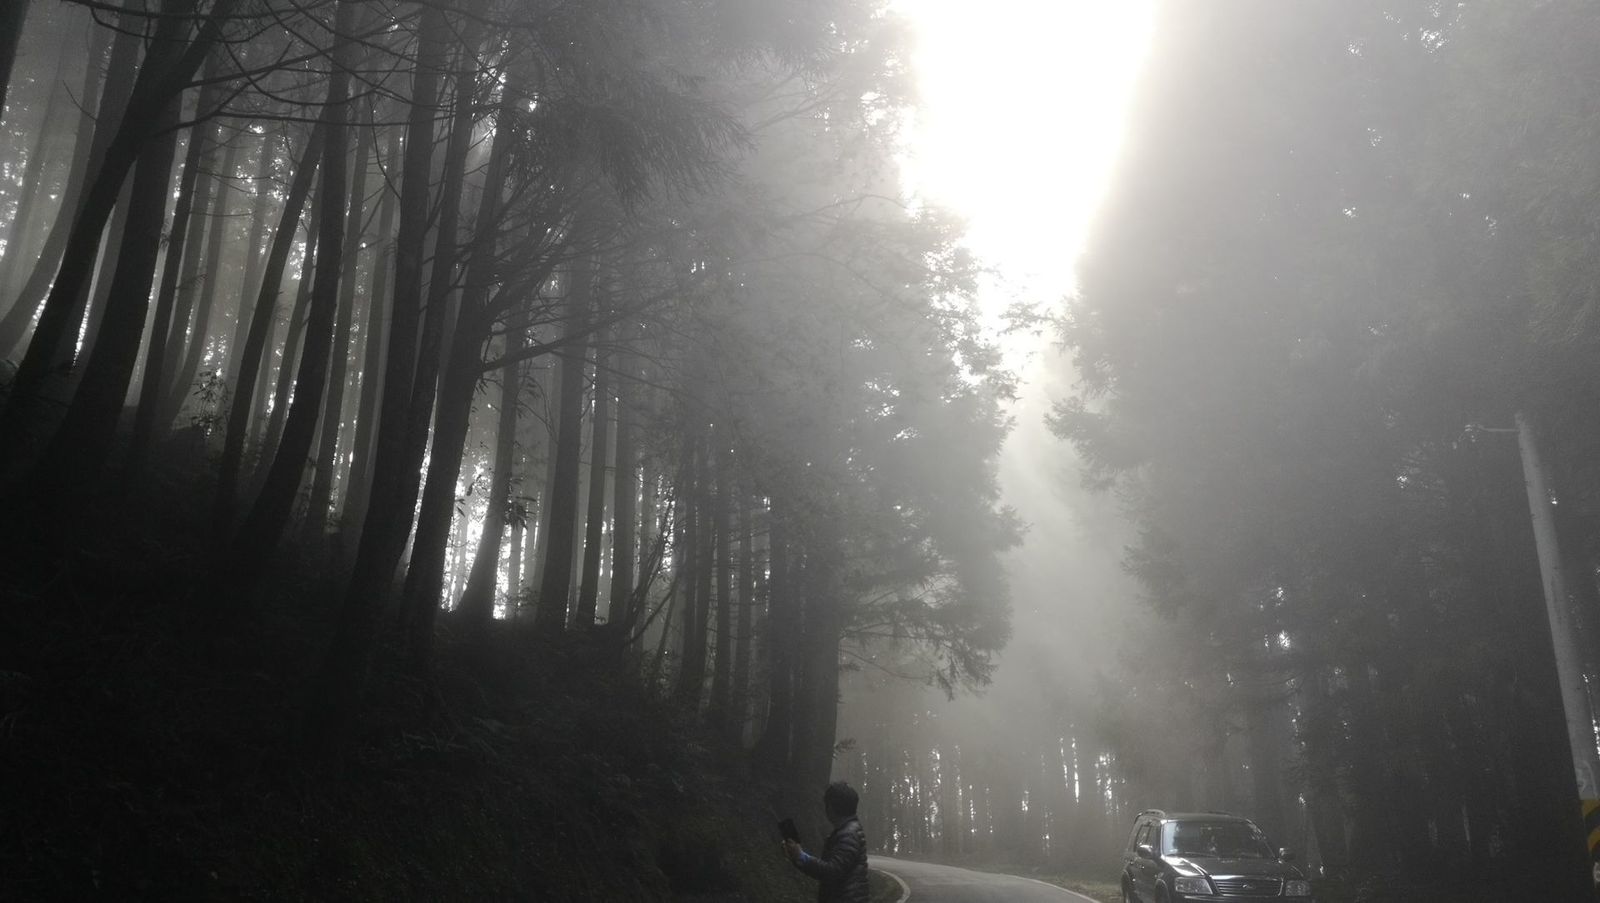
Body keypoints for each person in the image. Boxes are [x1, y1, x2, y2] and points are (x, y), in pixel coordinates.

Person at [783, 781, 869, 903]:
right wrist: (796, 857)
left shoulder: (848, 834)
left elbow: (832, 871)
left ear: (832, 807)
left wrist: (802, 857)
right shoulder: (847, 830)